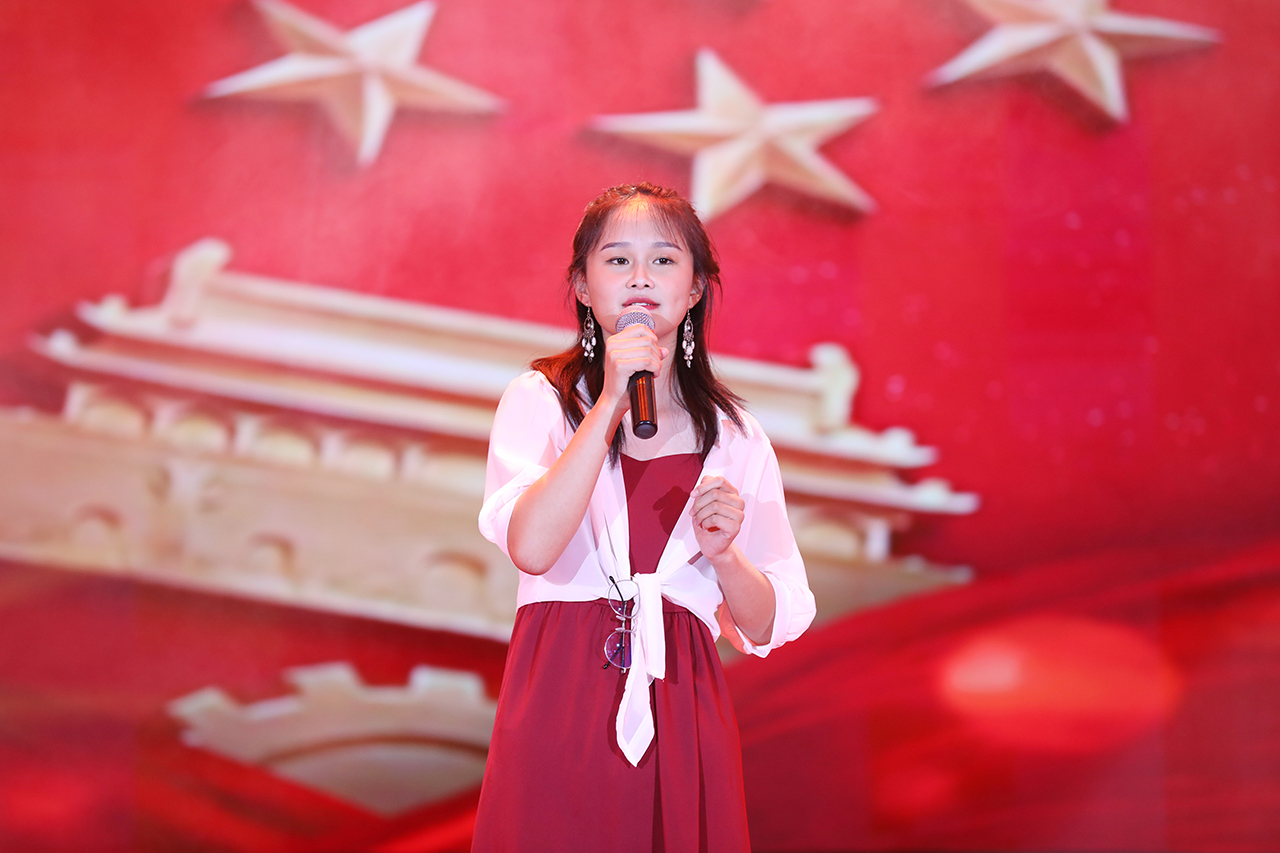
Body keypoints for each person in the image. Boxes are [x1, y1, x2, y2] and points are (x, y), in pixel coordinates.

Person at [473, 182, 815, 852]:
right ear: (582, 286)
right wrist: (607, 403)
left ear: (694, 289)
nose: (640, 278)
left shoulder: (737, 437)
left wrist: (725, 555)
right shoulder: (542, 400)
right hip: (560, 688)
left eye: (663, 260)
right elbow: (533, 547)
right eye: (617, 260)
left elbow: (768, 621)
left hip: (681, 696)